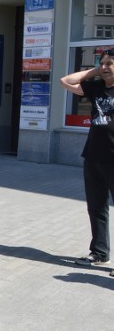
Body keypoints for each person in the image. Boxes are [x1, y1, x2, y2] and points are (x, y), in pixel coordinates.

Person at [59, 48, 114, 271]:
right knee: (96, 207)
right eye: (103, 63)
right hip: (93, 156)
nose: (105, 67)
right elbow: (65, 81)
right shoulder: (96, 87)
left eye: (110, 63)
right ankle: (100, 253)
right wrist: (95, 71)